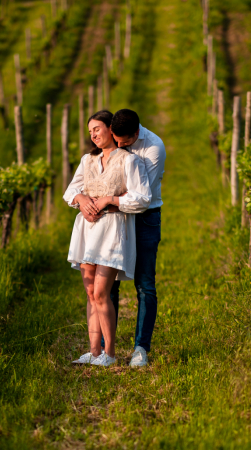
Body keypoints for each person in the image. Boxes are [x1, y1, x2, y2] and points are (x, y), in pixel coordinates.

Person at [63, 110, 152, 367]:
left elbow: (142, 198)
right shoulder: (87, 161)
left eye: (97, 129)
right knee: (90, 291)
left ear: (110, 129)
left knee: (102, 291)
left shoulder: (128, 160)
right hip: (87, 229)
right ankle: (93, 351)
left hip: (112, 229)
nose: (92, 135)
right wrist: (80, 199)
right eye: (90, 131)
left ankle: (110, 354)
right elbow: (71, 190)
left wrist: (112, 200)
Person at [108, 109, 166, 367]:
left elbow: (140, 197)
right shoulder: (115, 138)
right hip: (114, 216)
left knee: (144, 283)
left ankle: (141, 348)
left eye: (125, 142)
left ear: (136, 132)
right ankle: (105, 347)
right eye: (116, 140)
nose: (119, 146)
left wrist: (108, 198)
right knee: (109, 281)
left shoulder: (154, 147)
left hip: (145, 218)